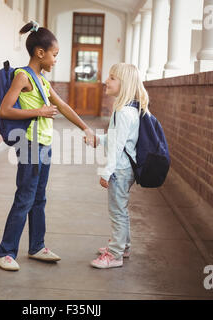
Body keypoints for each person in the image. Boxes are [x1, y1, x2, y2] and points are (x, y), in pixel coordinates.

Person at [0, 20, 97, 271]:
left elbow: (63, 107)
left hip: (44, 146)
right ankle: (5, 252)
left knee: (39, 198)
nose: (55, 60)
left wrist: (85, 127)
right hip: (29, 145)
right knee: (25, 197)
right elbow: (5, 110)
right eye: (54, 55)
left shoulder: (43, 81)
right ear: (40, 53)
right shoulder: (23, 77)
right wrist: (39, 110)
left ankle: (37, 246)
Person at [88, 63, 149, 269]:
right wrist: (99, 139)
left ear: (124, 83)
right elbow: (117, 140)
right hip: (124, 168)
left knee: (117, 212)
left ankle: (114, 255)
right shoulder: (127, 109)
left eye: (112, 77)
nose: (106, 80)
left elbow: (117, 148)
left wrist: (106, 172)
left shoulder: (123, 112)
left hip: (120, 170)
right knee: (121, 210)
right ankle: (124, 247)